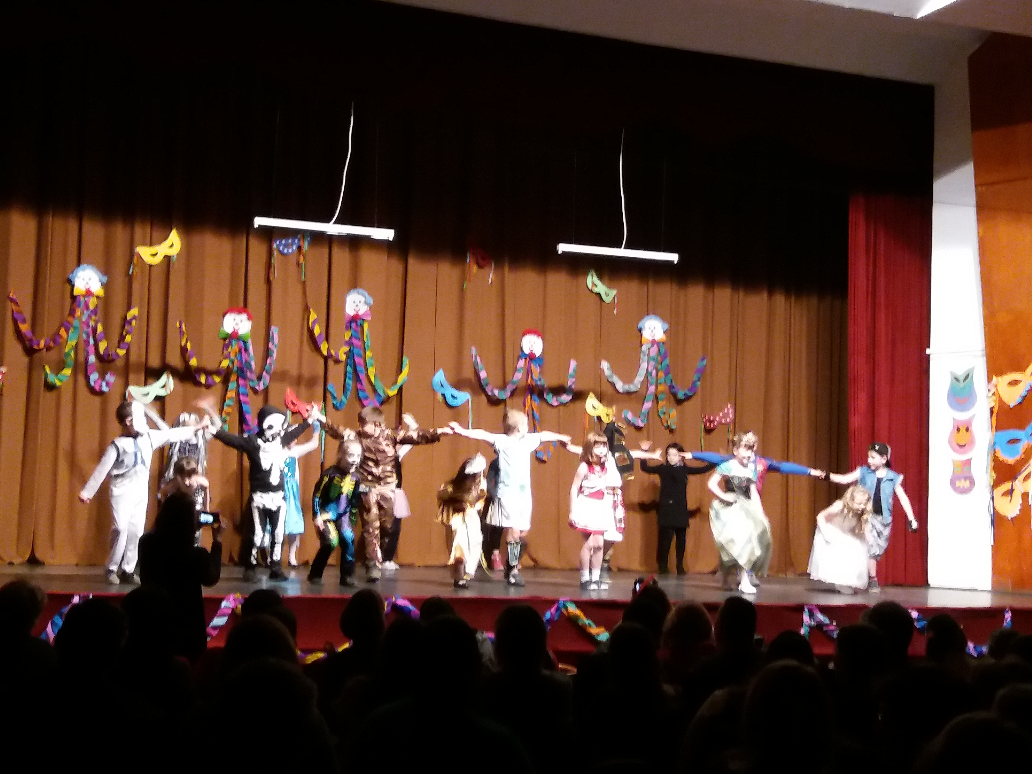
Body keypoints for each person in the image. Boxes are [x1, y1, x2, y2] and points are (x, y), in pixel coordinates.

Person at [79, 400, 207, 586]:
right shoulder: (117, 445)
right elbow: (102, 469)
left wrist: (197, 427)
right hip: (121, 491)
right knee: (121, 528)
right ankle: (112, 568)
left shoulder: (148, 437)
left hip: (140, 490)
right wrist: (88, 492)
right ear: (128, 421)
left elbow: (172, 434)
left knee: (136, 530)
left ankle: (128, 570)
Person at [324, 407, 450, 582]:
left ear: (376, 424)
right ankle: (373, 566)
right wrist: (319, 418)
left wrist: (440, 431)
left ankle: (380, 554)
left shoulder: (390, 436)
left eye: (364, 423)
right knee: (370, 526)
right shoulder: (357, 437)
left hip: (387, 488)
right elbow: (337, 430)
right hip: (367, 487)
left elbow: (417, 436)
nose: (360, 427)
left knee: (387, 526)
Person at [450, 409, 570, 586]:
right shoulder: (502, 441)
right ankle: (513, 569)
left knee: (522, 532)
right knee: (513, 532)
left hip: (524, 496)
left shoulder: (528, 441)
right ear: (519, 427)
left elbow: (544, 435)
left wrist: (561, 437)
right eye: (526, 424)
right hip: (507, 495)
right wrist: (462, 431)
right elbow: (482, 434)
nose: (528, 427)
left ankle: (510, 565)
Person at [209, 404, 318, 582]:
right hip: (259, 498)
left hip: (278, 497)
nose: (280, 431)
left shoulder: (281, 440)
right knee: (256, 534)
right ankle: (250, 567)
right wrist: (213, 430)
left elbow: (297, 431)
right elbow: (231, 440)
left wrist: (310, 420)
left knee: (278, 533)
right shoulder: (252, 442)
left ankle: (276, 567)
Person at [138, 491, 223, 661]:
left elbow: (162, 539)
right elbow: (211, 577)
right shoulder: (197, 555)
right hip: (187, 628)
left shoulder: (146, 544)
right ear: (188, 523)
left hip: (153, 621)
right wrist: (217, 542)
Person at [829, 442, 920, 592]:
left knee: (878, 549)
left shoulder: (892, 477)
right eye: (868, 457)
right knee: (870, 545)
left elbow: (903, 497)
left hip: (883, 520)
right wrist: (827, 476)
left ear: (884, 459)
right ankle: (872, 579)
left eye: (873, 457)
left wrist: (911, 518)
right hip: (866, 516)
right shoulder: (864, 472)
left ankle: (867, 574)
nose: (869, 460)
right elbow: (845, 479)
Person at [706, 431, 771, 594]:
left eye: (751, 450)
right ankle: (728, 576)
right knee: (734, 544)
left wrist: (760, 512)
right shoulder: (728, 466)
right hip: (730, 508)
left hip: (745, 507)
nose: (748, 453)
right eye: (745, 449)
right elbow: (711, 484)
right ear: (735, 450)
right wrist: (723, 497)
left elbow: (753, 492)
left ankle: (743, 579)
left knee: (747, 541)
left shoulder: (751, 469)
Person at [639, 442, 717, 575]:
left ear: (681, 456)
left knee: (681, 540)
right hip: (666, 509)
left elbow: (703, 469)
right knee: (665, 541)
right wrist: (644, 451)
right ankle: (663, 566)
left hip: (680, 509)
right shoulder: (663, 468)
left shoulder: (684, 469)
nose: (671, 457)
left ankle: (680, 566)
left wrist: (718, 461)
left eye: (674, 455)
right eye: (669, 454)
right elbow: (645, 468)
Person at [568, 432, 624, 591]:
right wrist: (572, 510)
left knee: (599, 544)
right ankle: (585, 577)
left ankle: (596, 578)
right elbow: (574, 488)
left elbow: (616, 480)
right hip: (586, 505)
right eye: (597, 446)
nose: (601, 449)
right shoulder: (584, 467)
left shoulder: (607, 466)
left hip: (601, 507)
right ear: (590, 448)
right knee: (590, 543)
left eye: (604, 446)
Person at [308, 438, 363, 586]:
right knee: (331, 542)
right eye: (351, 455)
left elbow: (354, 499)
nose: (355, 460)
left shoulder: (356, 477)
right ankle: (315, 573)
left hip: (343, 514)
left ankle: (347, 576)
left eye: (358, 456)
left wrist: (352, 518)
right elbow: (317, 495)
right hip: (326, 514)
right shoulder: (330, 474)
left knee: (348, 539)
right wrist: (317, 515)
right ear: (341, 455)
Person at [807, 485, 872, 593]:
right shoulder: (839, 506)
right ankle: (840, 582)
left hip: (845, 532)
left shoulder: (862, 512)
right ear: (850, 500)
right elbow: (820, 516)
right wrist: (826, 533)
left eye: (864, 504)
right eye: (859, 503)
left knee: (857, 549)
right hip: (831, 530)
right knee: (841, 552)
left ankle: (847, 581)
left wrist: (869, 540)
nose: (862, 506)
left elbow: (864, 528)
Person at [437, 454, 489, 588]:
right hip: (457, 519)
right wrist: (458, 503)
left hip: (471, 518)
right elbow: (443, 496)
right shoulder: (451, 487)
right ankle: (459, 577)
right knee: (458, 546)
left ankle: (465, 573)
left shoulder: (482, 484)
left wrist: (475, 507)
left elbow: (481, 500)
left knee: (474, 544)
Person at [381, 445, 412, 573]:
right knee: (386, 527)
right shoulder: (381, 458)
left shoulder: (396, 457)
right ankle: (382, 558)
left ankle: (388, 558)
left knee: (395, 528)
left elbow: (409, 444)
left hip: (396, 494)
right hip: (386, 493)